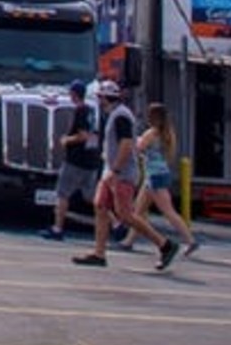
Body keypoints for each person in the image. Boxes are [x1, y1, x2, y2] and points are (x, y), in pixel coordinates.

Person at [73, 82, 175, 270]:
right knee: (100, 206)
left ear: (105, 98)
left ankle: (165, 245)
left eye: (99, 97)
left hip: (121, 173)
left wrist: (116, 171)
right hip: (111, 171)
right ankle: (99, 253)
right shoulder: (115, 114)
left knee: (125, 215)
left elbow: (126, 145)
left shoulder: (121, 116)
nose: (98, 101)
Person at [135, 100, 199, 258]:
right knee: (138, 211)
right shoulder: (168, 132)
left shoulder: (152, 133)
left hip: (155, 176)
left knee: (168, 212)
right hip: (158, 173)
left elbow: (140, 148)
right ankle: (129, 240)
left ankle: (190, 240)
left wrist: (136, 139)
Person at [40, 79, 99, 241]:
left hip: (76, 160)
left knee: (62, 193)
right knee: (92, 197)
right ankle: (115, 224)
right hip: (90, 160)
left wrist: (67, 140)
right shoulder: (91, 111)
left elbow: (83, 135)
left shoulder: (80, 111)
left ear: (74, 94)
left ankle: (57, 228)